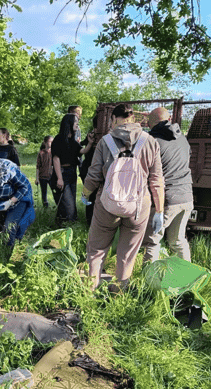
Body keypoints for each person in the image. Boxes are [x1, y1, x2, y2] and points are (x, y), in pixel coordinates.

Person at [83, 104, 165, 292]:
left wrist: (85, 194)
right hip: (138, 206)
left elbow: (94, 175)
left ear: (114, 119)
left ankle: (90, 291)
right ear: (133, 119)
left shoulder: (105, 142)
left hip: (107, 204)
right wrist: (159, 211)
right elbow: (156, 180)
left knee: (96, 250)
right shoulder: (150, 141)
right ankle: (119, 292)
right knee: (128, 253)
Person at [142, 106, 195, 263]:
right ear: (169, 119)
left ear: (150, 123)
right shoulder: (182, 138)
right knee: (177, 241)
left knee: (152, 241)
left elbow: (146, 171)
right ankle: (188, 279)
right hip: (186, 197)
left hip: (167, 200)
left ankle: (147, 281)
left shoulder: (153, 142)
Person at [51, 113, 94, 226]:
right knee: (68, 206)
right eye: (75, 122)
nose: (77, 124)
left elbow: (82, 151)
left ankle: (60, 225)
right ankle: (68, 225)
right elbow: (56, 159)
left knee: (69, 203)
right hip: (62, 172)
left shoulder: (73, 141)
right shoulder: (58, 139)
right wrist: (59, 178)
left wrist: (90, 143)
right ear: (68, 123)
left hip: (71, 173)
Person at [80, 115, 101, 225]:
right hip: (88, 171)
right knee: (90, 197)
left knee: (95, 197)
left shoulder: (104, 136)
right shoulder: (92, 135)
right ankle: (90, 221)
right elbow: (81, 146)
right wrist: (90, 142)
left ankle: (94, 221)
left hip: (92, 171)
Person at [35, 135, 53, 208]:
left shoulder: (54, 152)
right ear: (45, 142)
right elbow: (38, 167)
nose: (52, 143)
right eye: (50, 141)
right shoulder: (41, 153)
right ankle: (45, 207)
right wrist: (37, 178)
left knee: (55, 191)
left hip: (52, 176)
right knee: (44, 192)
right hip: (43, 176)